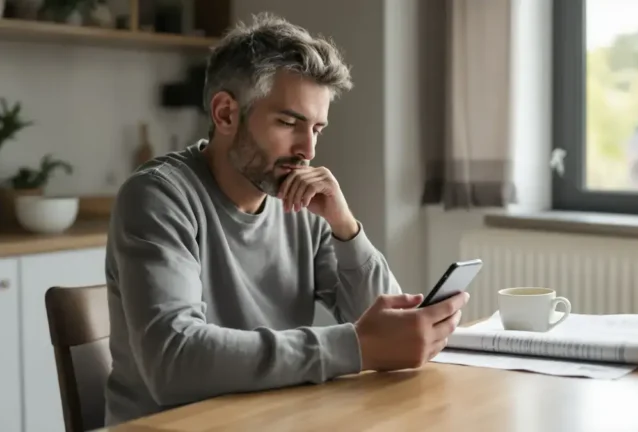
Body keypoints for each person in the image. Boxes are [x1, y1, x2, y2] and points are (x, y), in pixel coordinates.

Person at [103, 12, 469, 426]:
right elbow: (174, 362)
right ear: (225, 114)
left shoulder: (298, 202)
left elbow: (388, 333)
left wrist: (345, 227)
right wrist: (352, 347)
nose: (307, 150)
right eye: (289, 123)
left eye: (316, 129)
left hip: (270, 418)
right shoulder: (158, 196)